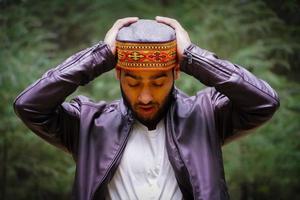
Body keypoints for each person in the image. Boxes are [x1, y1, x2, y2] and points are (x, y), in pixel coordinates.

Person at [13, 16, 280, 200]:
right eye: (132, 81)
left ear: (176, 73)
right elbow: (30, 106)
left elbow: (263, 101)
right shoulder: (87, 123)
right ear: (118, 75)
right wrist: (102, 54)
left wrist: (191, 56)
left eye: (158, 81)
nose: (145, 96)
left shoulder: (206, 114)